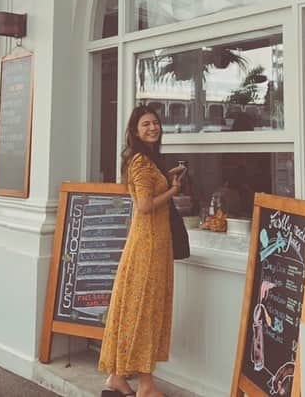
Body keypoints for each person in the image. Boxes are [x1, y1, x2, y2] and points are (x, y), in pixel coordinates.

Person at [99, 105, 186, 397]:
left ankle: (117, 378)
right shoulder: (140, 162)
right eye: (146, 124)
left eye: (156, 123)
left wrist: (167, 176)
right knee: (145, 311)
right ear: (135, 131)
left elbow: (148, 189)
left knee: (134, 309)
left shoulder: (148, 162)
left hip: (152, 243)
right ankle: (145, 385)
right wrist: (174, 190)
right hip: (148, 246)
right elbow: (146, 205)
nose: (153, 128)